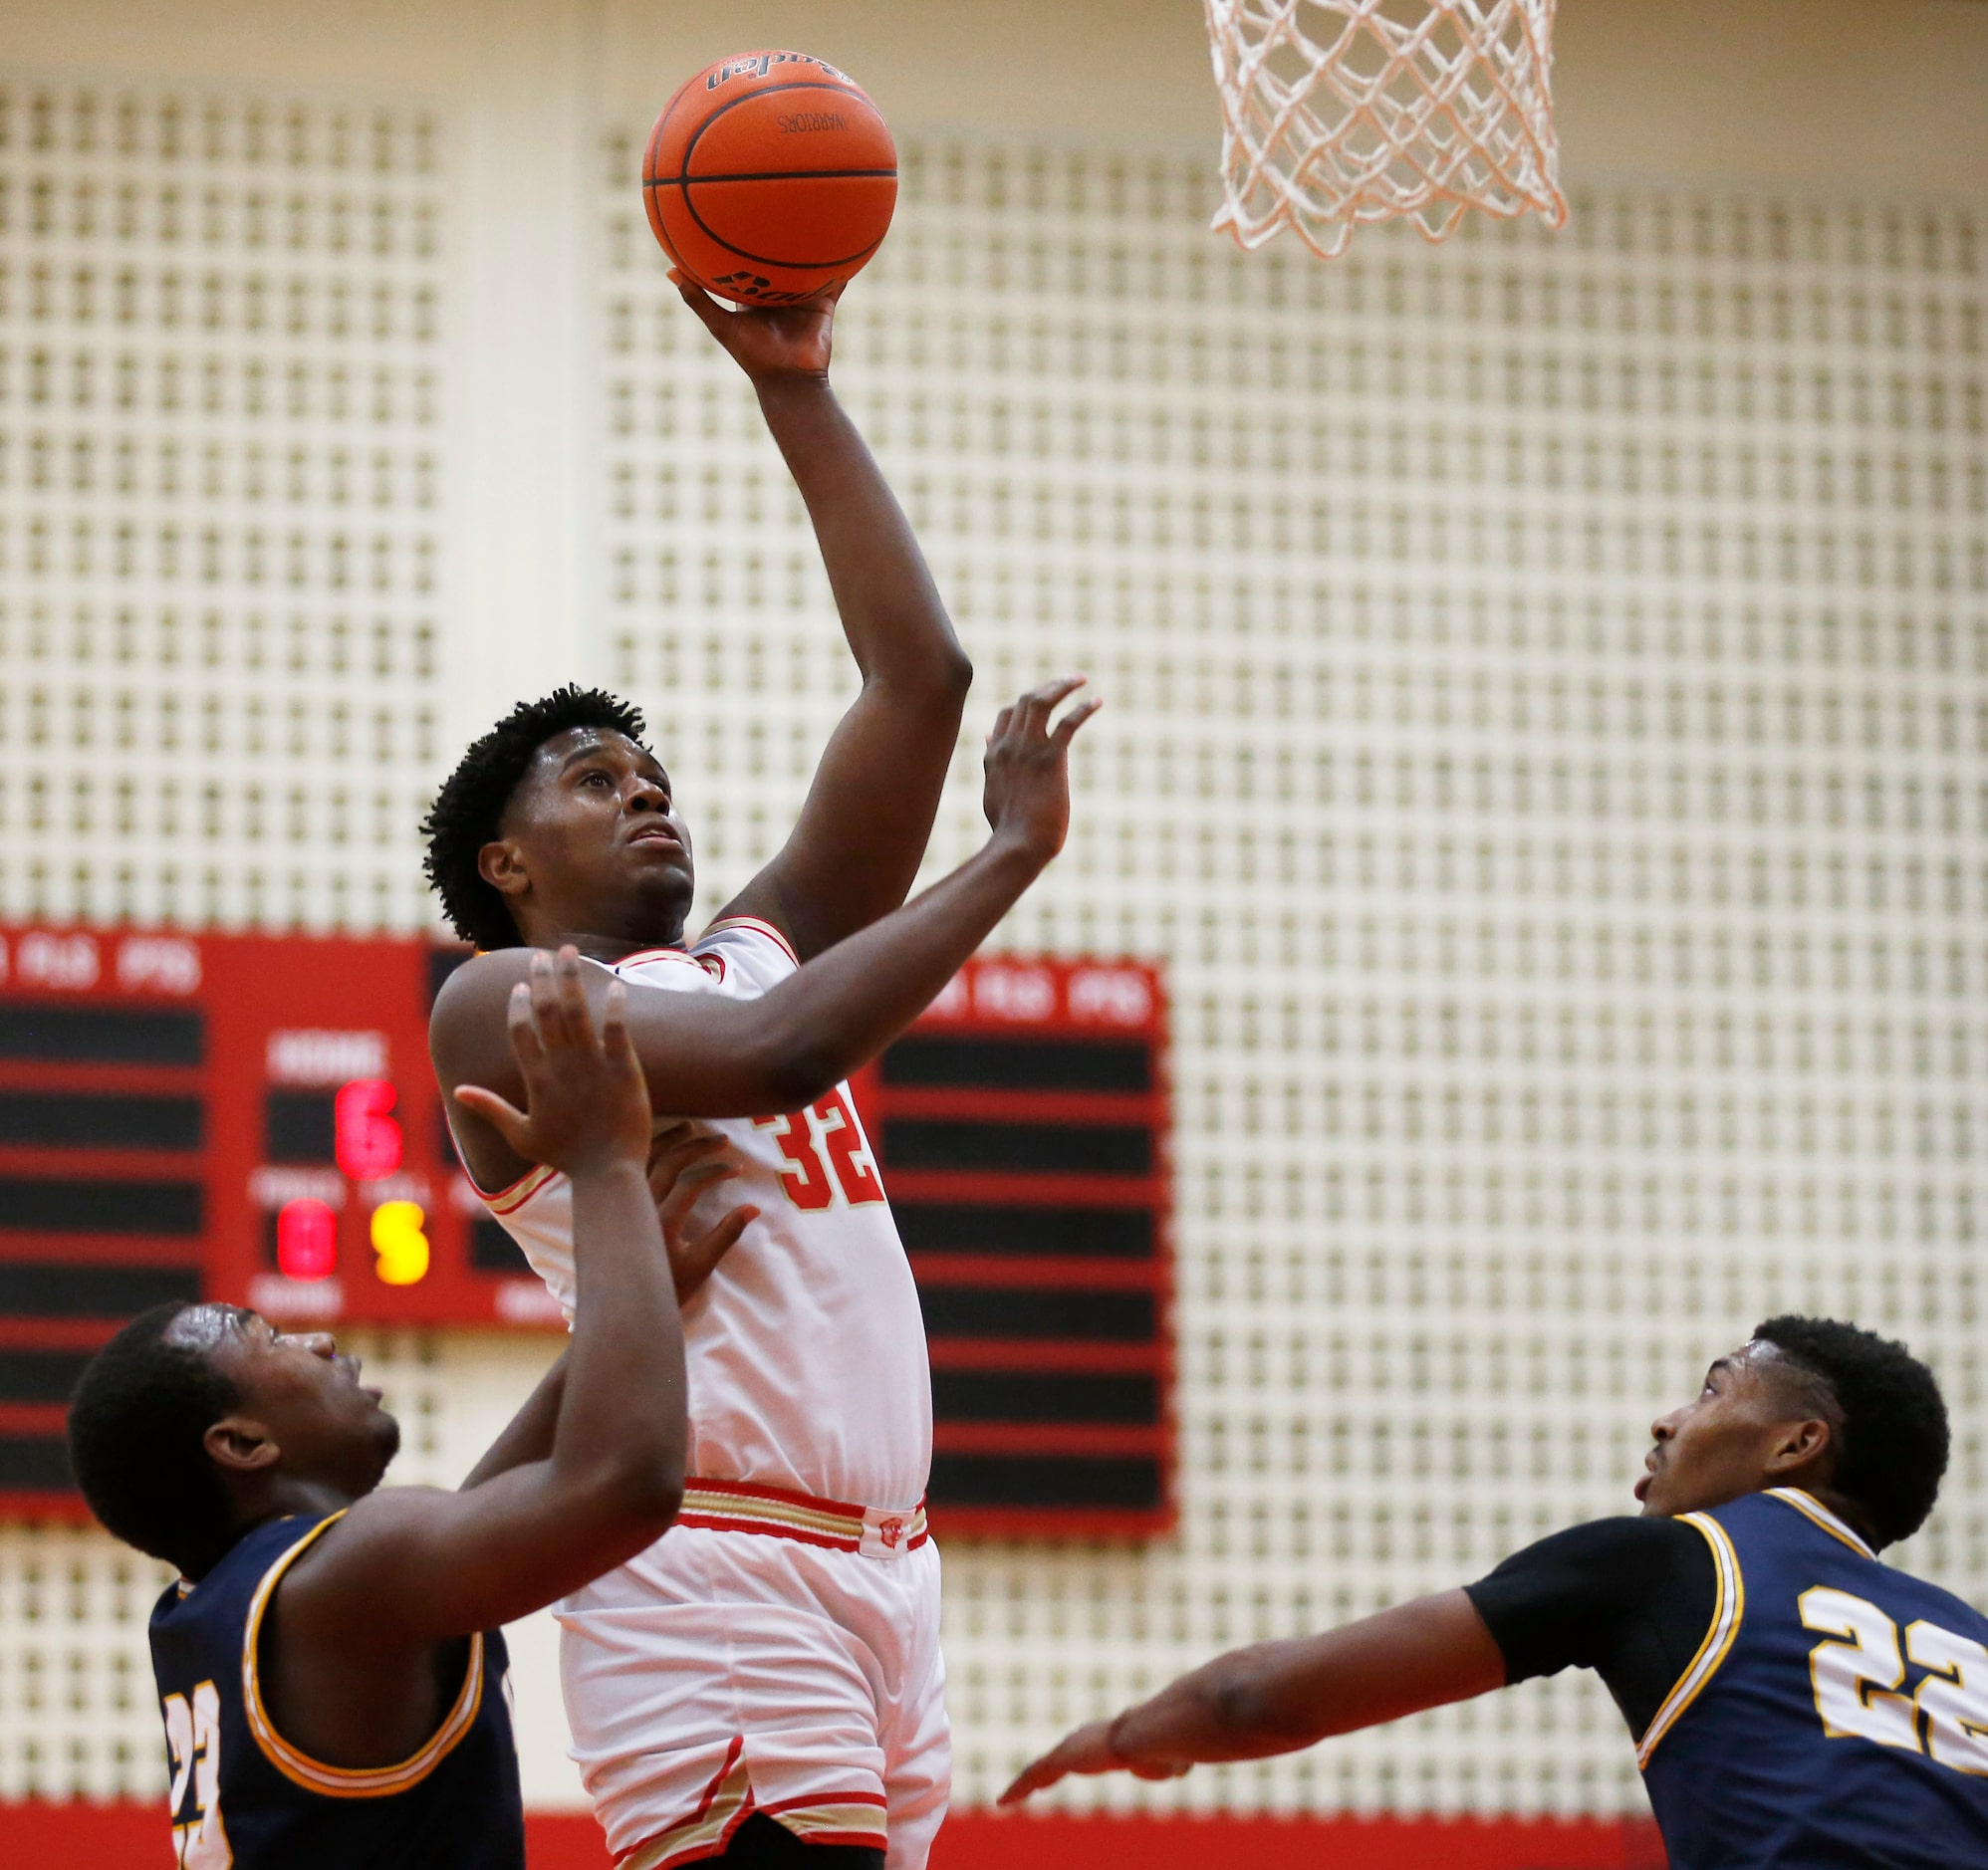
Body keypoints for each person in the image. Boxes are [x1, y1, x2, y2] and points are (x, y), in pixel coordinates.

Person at [421, 273, 1098, 1870]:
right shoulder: (507, 998)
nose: (649, 795)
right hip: (707, 1555)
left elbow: (917, 681)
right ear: (509, 862)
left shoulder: (753, 944)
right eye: (598, 782)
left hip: (891, 1570)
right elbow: (782, 1058)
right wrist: (1005, 861)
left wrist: (795, 386)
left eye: (656, 776)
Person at [67, 948, 751, 1869]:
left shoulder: (226, 1605)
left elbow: (464, 1525)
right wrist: (602, 1166)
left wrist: (627, 1305)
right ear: (240, 1443)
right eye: (268, 1338)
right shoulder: (344, 1583)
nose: (314, 1341)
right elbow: (626, 1484)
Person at [1003, 1315, 1988, 1869]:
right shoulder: (1969, 1640)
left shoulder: (1672, 1562)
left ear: (1795, 1444)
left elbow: (1253, 1700)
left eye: (1713, 1388)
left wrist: (1127, 1734)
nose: (1667, 1419)